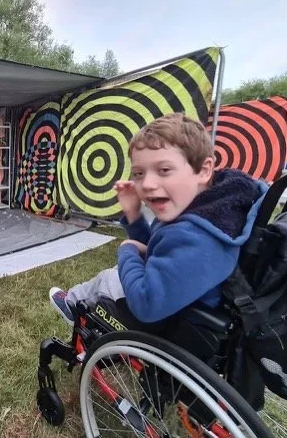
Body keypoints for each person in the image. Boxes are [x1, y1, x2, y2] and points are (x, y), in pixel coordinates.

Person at [49, 113, 268, 327]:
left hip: (174, 322)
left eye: (164, 170)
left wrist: (127, 251)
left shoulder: (198, 237)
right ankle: (73, 299)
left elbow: (147, 304)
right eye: (138, 173)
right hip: (179, 298)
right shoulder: (211, 208)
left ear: (203, 170)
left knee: (109, 278)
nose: (147, 184)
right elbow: (157, 247)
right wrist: (134, 215)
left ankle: (71, 304)